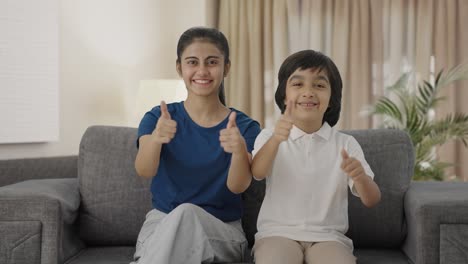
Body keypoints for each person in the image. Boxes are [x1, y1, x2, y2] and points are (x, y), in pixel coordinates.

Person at [132, 27, 261, 264]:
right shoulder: (158, 118)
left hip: (222, 230)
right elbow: (144, 170)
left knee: (187, 212)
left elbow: (238, 186)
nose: (202, 70)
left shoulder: (245, 126)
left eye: (212, 62)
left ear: (226, 67)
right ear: (180, 67)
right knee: (182, 219)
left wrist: (239, 150)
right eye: (193, 62)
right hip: (161, 224)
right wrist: (157, 139)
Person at [251, 50, 381, 264]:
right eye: (298, 84)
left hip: (328, 238)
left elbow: (372, 199)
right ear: (284, 95)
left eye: (319, 85)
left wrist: (361, 177)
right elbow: (257, 172)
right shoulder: (269, 136)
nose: (308, 92)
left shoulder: (346, 144)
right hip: (277, 234)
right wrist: (275, 140)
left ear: (331, 99)